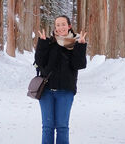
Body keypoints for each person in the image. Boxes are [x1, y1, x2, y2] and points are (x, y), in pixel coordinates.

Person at [35, 15, 87, 144]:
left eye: (63, 24)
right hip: (46, 91)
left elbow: (79, 65)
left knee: (62, 127)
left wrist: (81, 46)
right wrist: (42, 43)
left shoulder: (75, 43)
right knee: (47, 127)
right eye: (57, 25)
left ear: (69, 26)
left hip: (65, 91)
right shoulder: (49, 42)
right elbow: (39, 62)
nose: (60, 27)